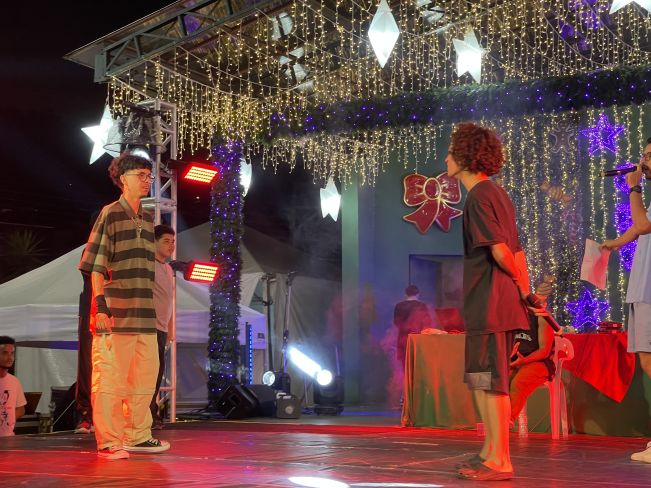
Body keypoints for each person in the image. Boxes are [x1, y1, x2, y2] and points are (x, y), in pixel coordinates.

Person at [447, 122, 535, 481]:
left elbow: (502, 251)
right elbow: (518, 250)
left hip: (492, 303)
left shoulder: (480, 196)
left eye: (452, 151)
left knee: (492, 381)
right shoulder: (493, 194)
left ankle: (500, 459)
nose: (447, 158)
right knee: (482, 379)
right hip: (489, 303)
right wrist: (525, 291)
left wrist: (517, 283)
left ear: (466, 156)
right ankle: (489, 452)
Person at [79, 153, 169, 460]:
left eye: (149, 176)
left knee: (145, 378)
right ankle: (109, 441)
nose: (147, 181)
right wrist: (100, 306)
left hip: (145, 314)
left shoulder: (147, 218)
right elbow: (95, 266)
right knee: (110, 379)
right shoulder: (110, 213)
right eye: (140, 175)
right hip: (115, 313)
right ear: (123, 179)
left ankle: (138, 435)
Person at [602, 138, 651, 464]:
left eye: (649, 156)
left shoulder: (641, 189)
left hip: (649, 289)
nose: (643, 161)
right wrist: (616, 243)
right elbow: (641, 228)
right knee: (646, 360)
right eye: (644, 155)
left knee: (649, 360)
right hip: (643, 288)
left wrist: (634, 188)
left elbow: (644, 225)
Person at [509, 281, 555, 424]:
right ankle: (496, 420)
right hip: (517, 361)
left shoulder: (542, 317)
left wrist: (524, 361)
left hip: (539, 363)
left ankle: (506, 420)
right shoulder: (512, 317)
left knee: (519, 382)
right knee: (499, 381)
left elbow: (544, 351)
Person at [150, 224, 176, 429]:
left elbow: (170, 301)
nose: (171, 245)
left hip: (162, 329)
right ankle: (147, 415)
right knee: (148, 375)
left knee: (157, 374)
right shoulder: (147, 265)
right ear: (154, 242)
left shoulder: (168, 269)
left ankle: (152, 413)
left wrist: (170, 329)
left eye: (173, 241)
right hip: (149, 327)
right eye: (166, 241)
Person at [393, 285, 432, 371]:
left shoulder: (398, 306)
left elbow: (396, 322)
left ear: (405, 294)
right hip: (418, 340)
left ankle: (408, 380)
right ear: (418, 294)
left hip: (403, 340)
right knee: (418, 368)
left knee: (406, 367)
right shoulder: (422, 306)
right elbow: (427, 324)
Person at [0, 336, 27, 437]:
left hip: (9, 438)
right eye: (5, 353)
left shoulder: (14, 381)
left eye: (12, 353)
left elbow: (21, 409)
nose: (10, 357)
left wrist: (7, 419)